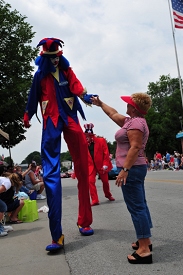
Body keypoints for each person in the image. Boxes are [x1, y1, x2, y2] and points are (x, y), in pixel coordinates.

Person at [23, 37, 97, 251]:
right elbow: (32, 98)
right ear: (43, 59)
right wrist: (28, 114)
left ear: (60, 56)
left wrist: (85, 96)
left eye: (57, 57)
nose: (55, 61)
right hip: (51, 123)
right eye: (50, 57)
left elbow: (77, 87)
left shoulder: (67, 71)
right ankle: (57, 237)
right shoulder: (39, 77)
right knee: (51, 175)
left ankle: (84, 221)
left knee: (83, 168)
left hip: (71, 120)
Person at [91, 92, 153, 264]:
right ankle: (145, 240)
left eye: (129, 103)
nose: (126, 105)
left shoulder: (136, 124)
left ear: (134, 107)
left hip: (132, 169)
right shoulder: (131, 121)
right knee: (141, 205)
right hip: (135, 168)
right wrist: (100, 103)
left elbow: (135, 147)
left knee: (137, 207)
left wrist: (125, 169)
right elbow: (113, 113)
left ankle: (144, 250)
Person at [84, 123, 115, 206]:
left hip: (101, 165)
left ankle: (108, 195)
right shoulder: (84, 144)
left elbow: (106, 153)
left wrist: (105, 164)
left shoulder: (101, 141)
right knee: (90, 181)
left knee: (105, 181)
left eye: (89, 135)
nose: (88, 137)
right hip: (90, 166)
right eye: (86, 135)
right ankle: (95, 200)